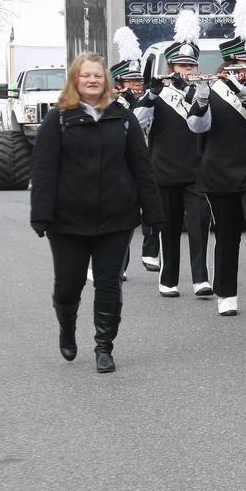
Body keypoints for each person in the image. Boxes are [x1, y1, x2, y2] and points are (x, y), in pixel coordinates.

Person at [30, 53, 162, 373]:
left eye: (98, 76)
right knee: (68, 284)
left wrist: (153, 214)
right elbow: (44, 170)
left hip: (116, 219)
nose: (92, 80)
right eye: (86, 75)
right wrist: (41, 214)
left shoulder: (123, 118)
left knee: (109, 284)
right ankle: (67, 328)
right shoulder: (58, 119)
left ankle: (104, 346)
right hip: (67, 221)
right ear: (75, 80)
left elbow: (142, 168)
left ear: (106, 81)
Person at [187, 0, 246, 317]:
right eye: (243, 64)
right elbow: (198, 126)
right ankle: (226, 292)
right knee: (226, 233)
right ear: (231, 64)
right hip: (220, 172)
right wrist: (200, 98)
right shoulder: (211, 88)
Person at [134, 10, 211, 298]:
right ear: (170, 66)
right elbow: (137, 121)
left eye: (190, 66)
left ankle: (201, 278)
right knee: (169, 227)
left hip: (196, 169)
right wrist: (151, 95)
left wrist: (199, 98)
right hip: (164, 170)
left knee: (199, 223)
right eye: (180, 65)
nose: (185, 71)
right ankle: (168, 278)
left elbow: (203, 125)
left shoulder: (202, 91)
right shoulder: (156, 94)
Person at [110, 27, 158, 274]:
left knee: (153, 207)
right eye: (131, 81)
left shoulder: (150, 98)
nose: (137, 85)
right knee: (125, 215)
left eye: (139, 81)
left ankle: (151, 252)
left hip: (150, 161)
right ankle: (121, 262)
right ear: (119, 83)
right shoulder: (114, 105)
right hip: (124, 165)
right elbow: (134, 123)